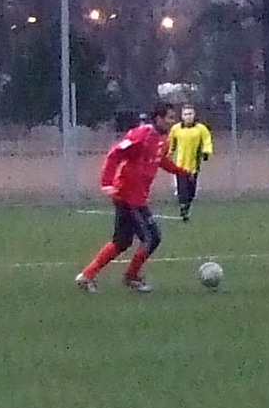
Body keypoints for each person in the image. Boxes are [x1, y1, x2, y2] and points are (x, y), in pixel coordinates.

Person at [77, 103, 173, 292]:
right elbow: (115, 154)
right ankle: (131, 277)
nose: (172, 121)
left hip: (137, 198)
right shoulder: (142, 134)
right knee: (151, 238)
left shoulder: (162, 139)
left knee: (121, 241)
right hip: (128, 196)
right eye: (170, 117)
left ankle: (86, 276)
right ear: (158, 118)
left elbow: (160, 159)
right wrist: (106, 183)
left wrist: (182, 172)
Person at [165, 103, 214, 222]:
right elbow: (170, 143)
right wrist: (168, 153)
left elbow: (207, 140)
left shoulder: (201, 129)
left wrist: (206, 152)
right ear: (182, 116)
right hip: (179, 165)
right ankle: (183, 210)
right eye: (186, 114)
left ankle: (187, 206)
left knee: (191, 191)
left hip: (193, 165)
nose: (188, 116)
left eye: (190, 114)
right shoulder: (176, 129)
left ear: (194, 115)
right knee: (182, 189)